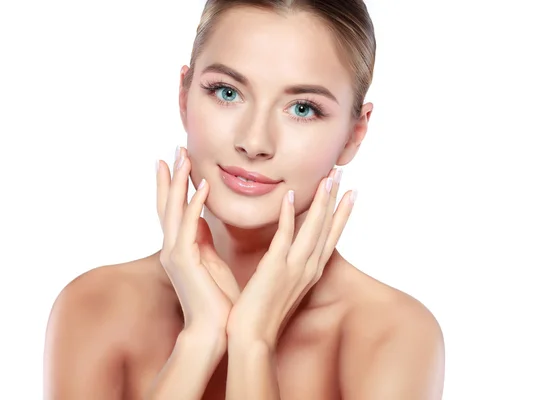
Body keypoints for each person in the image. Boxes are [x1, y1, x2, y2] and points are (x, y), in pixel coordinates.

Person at [43, 0, 445, 398]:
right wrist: (199, 340)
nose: (254, 142)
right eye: (227, 92)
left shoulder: (395, 333)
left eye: (302, 108)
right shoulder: (93, 307)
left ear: (353, 135)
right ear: (184, 98)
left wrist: (253, 342)